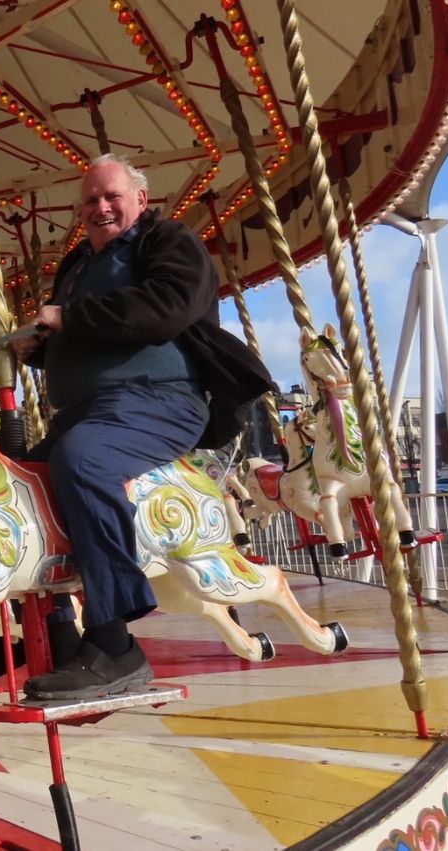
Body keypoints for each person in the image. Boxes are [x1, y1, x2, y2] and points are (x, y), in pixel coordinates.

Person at [14, 153, 273, 700]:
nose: (100, 207)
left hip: (161, 402)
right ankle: (57, 619)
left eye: (111, 197)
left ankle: (114, 643)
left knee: (84, 460)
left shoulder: (169, 242)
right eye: (90, 200)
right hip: (88, 408)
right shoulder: (80, 263)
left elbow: (165, 310)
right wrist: (39, 345)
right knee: (14, 481)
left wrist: (68, 318)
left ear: (140, 200)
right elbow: (85, 334)